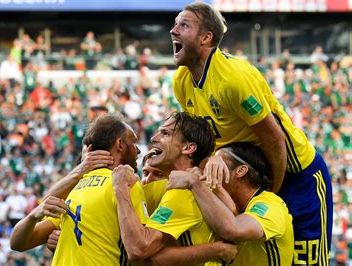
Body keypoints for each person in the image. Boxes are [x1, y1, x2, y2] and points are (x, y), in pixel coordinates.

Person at [169, 2, 332, 264]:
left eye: (183, 25)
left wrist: (271, 195)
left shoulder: (234, 78)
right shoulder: (181, 82)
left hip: (295, 174)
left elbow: (275, 140)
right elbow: (205, 140)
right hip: (252, 178)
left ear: (205, 38)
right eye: (175, 24)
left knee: (305, 261)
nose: (173, 30)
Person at [10, 114, 149, 265]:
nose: (138, 150)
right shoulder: (125, 184)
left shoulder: (72, 191)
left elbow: (17, 243)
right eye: (134, 142)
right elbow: (141, 251)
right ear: (120, 145)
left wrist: (33, 216)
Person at [112, 111, 237, 265]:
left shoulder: (184, 194)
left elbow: (140, 250)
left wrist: (120, 188)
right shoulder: (175, 185)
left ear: (188, 148)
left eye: (165, 133)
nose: (153, 138)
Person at [167, 142, 294, 265]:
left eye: (217, 165)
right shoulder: (221, 201)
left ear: (241, 171)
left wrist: (195, 183)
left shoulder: (271, 204)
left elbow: (234, 230)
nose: (209, 170)